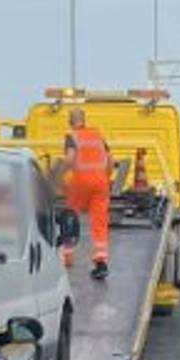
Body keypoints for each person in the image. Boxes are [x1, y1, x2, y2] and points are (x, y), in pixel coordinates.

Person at [60, 108, 113, 280]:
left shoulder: (71, 136)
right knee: (99, 222)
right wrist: (106, 177)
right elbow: (110, 160)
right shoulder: (97, 135)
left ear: (70, 121)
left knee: (70, 216)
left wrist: (57, 175)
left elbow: (69, 159)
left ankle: (67, 257)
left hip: (80, 182)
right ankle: (101, 262)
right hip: (100, 183)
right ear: (84, 120)